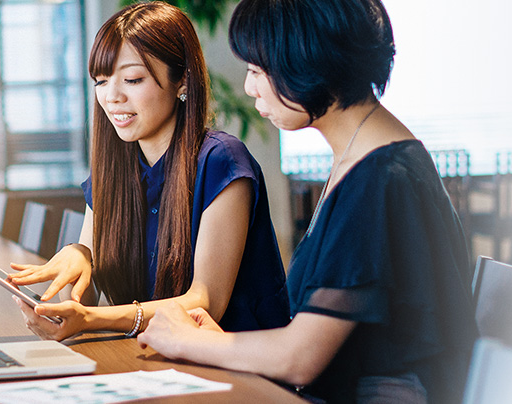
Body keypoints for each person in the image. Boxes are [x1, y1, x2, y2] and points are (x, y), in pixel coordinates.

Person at [137, 0, 478, 403]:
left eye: (257, 70)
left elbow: (301, 358)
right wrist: (216, 341)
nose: (249, 88)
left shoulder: (379, 178)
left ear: (305, 61)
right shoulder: (372, 156)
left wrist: (184, 341)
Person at [8, 1, 290, 342]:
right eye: (100, 80)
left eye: (132, 79)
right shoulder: (112, 171)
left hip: (239, 372)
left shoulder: (222, 161)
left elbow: (205, 304)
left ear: (182, 79)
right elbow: (81, 304)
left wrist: (91, 319)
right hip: (154, 360)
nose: (112, 96)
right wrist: (78, 256)